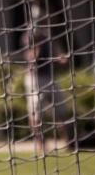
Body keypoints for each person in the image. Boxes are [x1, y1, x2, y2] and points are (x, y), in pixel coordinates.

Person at [21, 24, 73, 152]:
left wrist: (61, 59)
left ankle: (69, 142)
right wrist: (37, 45)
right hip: (35, 79)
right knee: (36, 113)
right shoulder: (29, 37)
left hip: (50, 77)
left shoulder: (48, 37)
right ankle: (40, 143)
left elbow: (56, 54)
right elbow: (31, 57)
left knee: (61, 111)